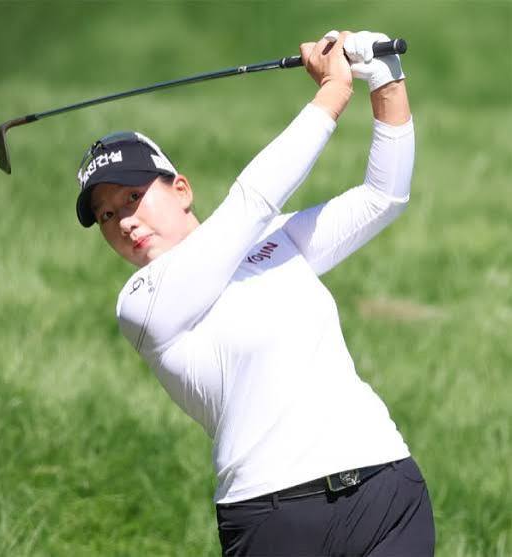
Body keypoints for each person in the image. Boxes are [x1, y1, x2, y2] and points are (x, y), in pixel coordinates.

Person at [75, 29, 435, 556]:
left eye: (133, 197)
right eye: (107, 215)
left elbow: (383, 197)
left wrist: (385, 79)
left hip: (386, 487)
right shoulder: (142, 303)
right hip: (276, 519)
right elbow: (251, 202)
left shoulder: (274, 241)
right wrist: (333, 93)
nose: (124, 221)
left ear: (181, 189)